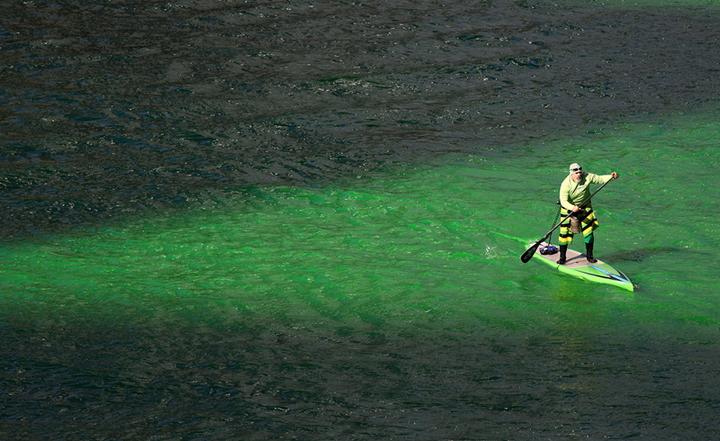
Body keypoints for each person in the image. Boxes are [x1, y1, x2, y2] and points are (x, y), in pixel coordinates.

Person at [557, 163, 618, 264]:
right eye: (576, 173)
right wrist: (573, 208)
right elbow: (563, 201)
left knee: (588, 232)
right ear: (571, 173)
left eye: (580, 172)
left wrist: (611, 177)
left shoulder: (587, 177)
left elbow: (600, 179)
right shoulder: (565, 184)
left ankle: (590, 257)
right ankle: (562, 258)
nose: (579, 174)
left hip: (585, 208)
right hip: (569, 209)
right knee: (564, 234)